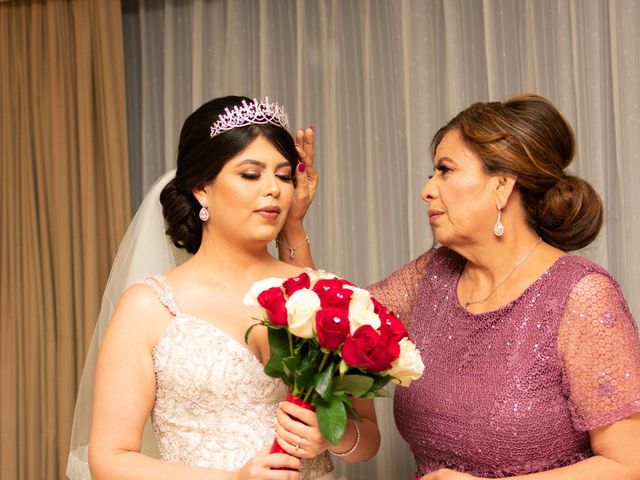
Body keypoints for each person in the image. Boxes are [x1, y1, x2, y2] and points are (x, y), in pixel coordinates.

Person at [283, 94, 640, 479]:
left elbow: (627, 463)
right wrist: (293, 222)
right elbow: (330, 320)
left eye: (445, 170)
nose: (428, 189)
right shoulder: (433, 274)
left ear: (502, 186)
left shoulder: (581, 295)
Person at [66, 96, 380, 480]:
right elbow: (110, 459)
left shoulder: (321, 293)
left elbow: (368, 440)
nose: (274, 190)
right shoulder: (148, 307)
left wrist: (331, 435)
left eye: (283, 176)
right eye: (251, 174)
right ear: (202, 188)